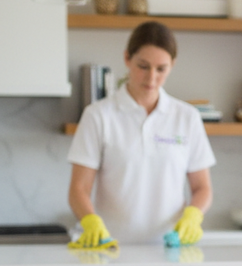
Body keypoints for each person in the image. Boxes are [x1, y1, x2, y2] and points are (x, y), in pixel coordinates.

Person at [67, 21, 214, 247]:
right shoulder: (98, 116)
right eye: (143, 66)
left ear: (172, 65)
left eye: (161, 68)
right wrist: (90, 221)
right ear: (127, 58)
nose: (151, 77)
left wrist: (194, 215)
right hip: (111, 248)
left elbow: (202, 187)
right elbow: (79, 189)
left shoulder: (187, 117)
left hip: (171, 249)